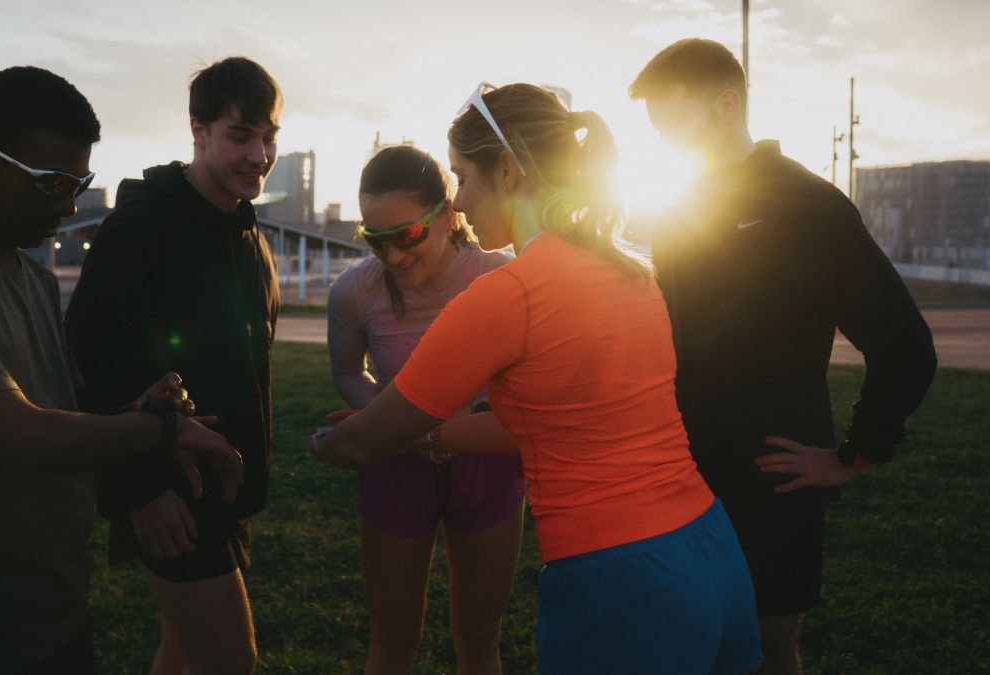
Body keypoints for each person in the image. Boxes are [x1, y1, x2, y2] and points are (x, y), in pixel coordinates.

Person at [312, 82, 762, 674]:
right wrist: (432, 438)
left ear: (506, 169)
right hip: (710, 545)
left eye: (463, 178)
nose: (463, 202)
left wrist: (325, 443)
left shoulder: (507, 294)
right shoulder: (630, 270)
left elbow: (366, 440)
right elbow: (536, 421)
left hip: (619, 576)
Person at [0, 66, 243, 674]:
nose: (68, 204)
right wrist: (161, 430)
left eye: (79, 182)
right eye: (52, 182)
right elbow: (21, 437)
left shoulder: (31, 276)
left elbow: (56, 414)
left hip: (54, 618)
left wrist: (137, 410)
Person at [628, 38, 937, 675]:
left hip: (772, 476)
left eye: (674, 123)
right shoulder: (677, 208)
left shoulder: (810, 207)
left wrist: (856, 453)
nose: (665, 143)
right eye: (657, 130)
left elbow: (906, 346)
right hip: (681, 470)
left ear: (727, 104)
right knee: (693, 639)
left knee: (768, 643)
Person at [64, 56, 280, 675]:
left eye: (269, 138)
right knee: (231, 660)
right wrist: (141, 490)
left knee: (181, 651)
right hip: (168, 493)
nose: (258, 155)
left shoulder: (248, 234)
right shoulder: (142, 226)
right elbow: (87, 359)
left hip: (223, 489)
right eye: (241, 136)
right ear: (199, 131)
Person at [327, 145, 525, 674]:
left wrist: (440, 427)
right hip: (395, 464)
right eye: (376, 240)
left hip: (486, 463)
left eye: (407, 235)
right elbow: (348, 371)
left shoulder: (500, 277)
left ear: (448, 214)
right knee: (392, 643)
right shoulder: (353, 291)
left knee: (480, 637)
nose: (392, 257)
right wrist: (387, 421)